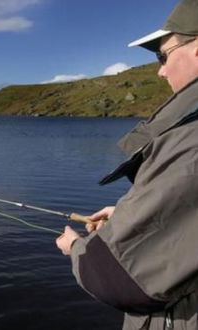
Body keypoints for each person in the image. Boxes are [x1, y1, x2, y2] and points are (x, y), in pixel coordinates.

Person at [55, 0, 198, 329]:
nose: (160, 70)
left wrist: (76, 248)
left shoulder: (191, 139)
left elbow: (122, 280)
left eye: (163, 55)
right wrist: (129, 215)